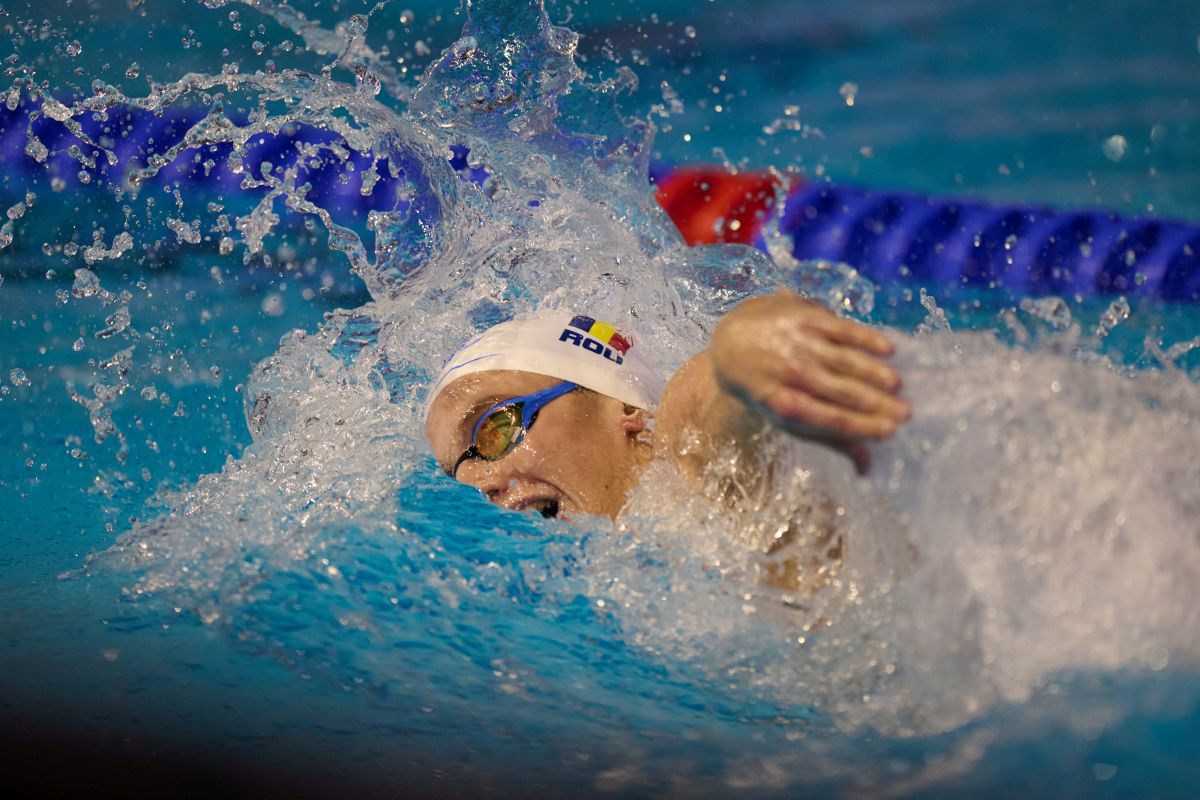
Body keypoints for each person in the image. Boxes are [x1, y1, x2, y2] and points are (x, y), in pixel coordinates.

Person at [425, 290, 910, 526]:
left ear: (628, 414)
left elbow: (703, 401)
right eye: (458, 470)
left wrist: (751, 348)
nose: (480, 485)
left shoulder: (693, 481)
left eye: (495, 429)